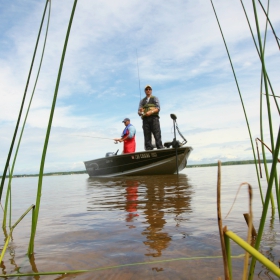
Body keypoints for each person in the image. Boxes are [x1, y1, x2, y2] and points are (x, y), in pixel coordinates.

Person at [138, 85, 164, 150]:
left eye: (149, 89)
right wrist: (140, 112)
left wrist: (151, 112)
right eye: (147, 89)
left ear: (151, 90)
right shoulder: (142, 101)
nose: (148, 90)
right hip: (145, 120)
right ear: (145, 91)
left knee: (157, 134)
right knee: (147, 136)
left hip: (154, 119)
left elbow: (158, 108)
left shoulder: (155, 98)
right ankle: (148, 149)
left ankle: (160, 148)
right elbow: (139, 112)